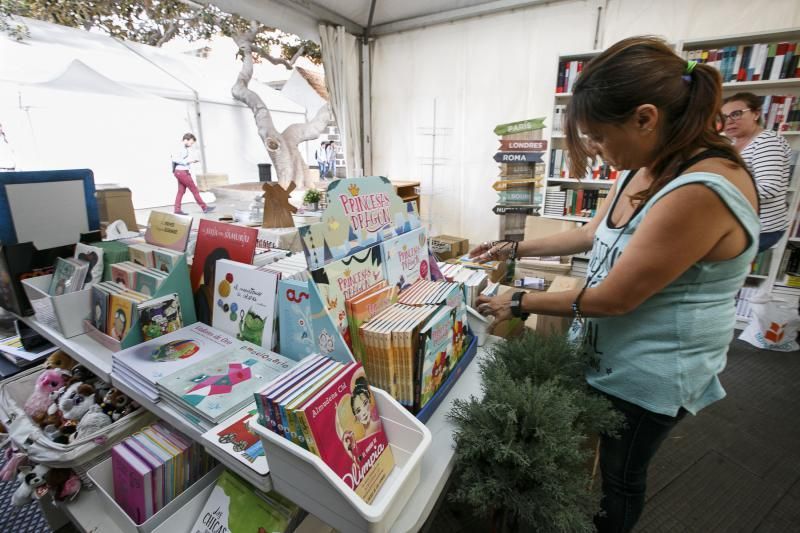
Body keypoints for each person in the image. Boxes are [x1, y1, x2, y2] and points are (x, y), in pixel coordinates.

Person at [472, 36, 759, 533]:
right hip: (611, 353)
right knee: (602, 460)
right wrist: (514, 248)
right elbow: (591, 232)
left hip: (653, 371)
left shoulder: (700, 190)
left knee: (622, 477)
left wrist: (516, 301)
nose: (600, 154)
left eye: (600, 138)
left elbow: (616, 297)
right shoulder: (647, 166)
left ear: (645, 118)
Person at [721, 92, 792, 252]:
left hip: (762, 228)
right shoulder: (732, 143)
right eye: (724, 116)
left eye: (736, 114)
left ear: (756, 113)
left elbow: (769, 188)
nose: (729, 121)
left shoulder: (767, 142)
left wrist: (720, 194)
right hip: (740, 221)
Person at [171, 133, 214, 215]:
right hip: (182, 172)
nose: (191, 145)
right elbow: (175, 159)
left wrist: (190, 161)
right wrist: (190, 161)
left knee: (181, 191)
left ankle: (177, 210)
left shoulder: (183, 147)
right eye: (191, 143)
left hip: (180, 172)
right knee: (194, 190)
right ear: (186, 140)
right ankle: (204, 207)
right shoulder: (179, 147)